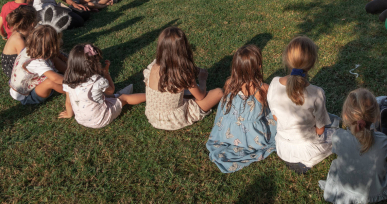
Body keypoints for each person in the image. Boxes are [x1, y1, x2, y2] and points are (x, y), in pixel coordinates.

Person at [267, 36, 340, 174]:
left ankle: (296, 159)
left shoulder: (274, 83)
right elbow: (320, 130)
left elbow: (276, 118)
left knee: (332, 120)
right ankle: (306, 161)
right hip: (306, 148)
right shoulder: (316, 92)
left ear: (287, 60)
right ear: (312, 63)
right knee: (340, 135)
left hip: (282, 146)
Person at [319, 88, 387, 203]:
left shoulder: (338, 137)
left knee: (336, 164)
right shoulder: (384, 140)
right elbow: (386, 155)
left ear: (346, 116)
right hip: (374, 192)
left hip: (345, 191)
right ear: (375, 117)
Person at [206, 45, 277, 173]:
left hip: (228, 132)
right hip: (251, 136)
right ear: (259, 66)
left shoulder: (229, 83)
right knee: (273, 117)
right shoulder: (262, 88)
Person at [143, 27, 223, 131]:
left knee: (181, 92)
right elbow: (201, 96)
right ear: (184, 48)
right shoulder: (183, 73)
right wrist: (203, 80)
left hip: (153, 116)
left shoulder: (152, 67)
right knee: (218, 92)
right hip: (173, 120)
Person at [58, 44, 145, 128]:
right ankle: (151, 96)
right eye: (98, 62)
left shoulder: (68, 81)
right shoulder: (98, 81)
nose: (100, 63)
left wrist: (69, 114)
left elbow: (68, 102)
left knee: (100, 96)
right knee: (124, 98)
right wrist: (106, 74)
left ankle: (115, 98)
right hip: (101, 119)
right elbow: (111, 90)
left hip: (81, 120)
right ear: (92, 66)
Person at [8, 25, 65, 105]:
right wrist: (74, 82)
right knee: (50, 82)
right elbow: (55, 78)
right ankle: (73, 90)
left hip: (27, 85)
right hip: (28, 96)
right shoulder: (36, 63)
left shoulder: (32, 48)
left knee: (53, 58)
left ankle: (69, 71)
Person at [1, 6, 38, 78]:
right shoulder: (19, 40)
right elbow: (25, 61)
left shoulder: (20, 32)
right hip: (14, 69)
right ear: (33, 24)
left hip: (19, 63)